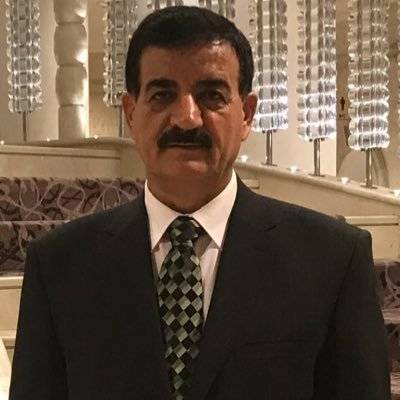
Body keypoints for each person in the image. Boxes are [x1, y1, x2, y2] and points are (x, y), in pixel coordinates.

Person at [9, 6, 390, 400]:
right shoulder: (60, 265)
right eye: (162, 95)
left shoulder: (331, 260)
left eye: (211, 95)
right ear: (131, 114)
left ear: (247, 114)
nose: (187, 118)